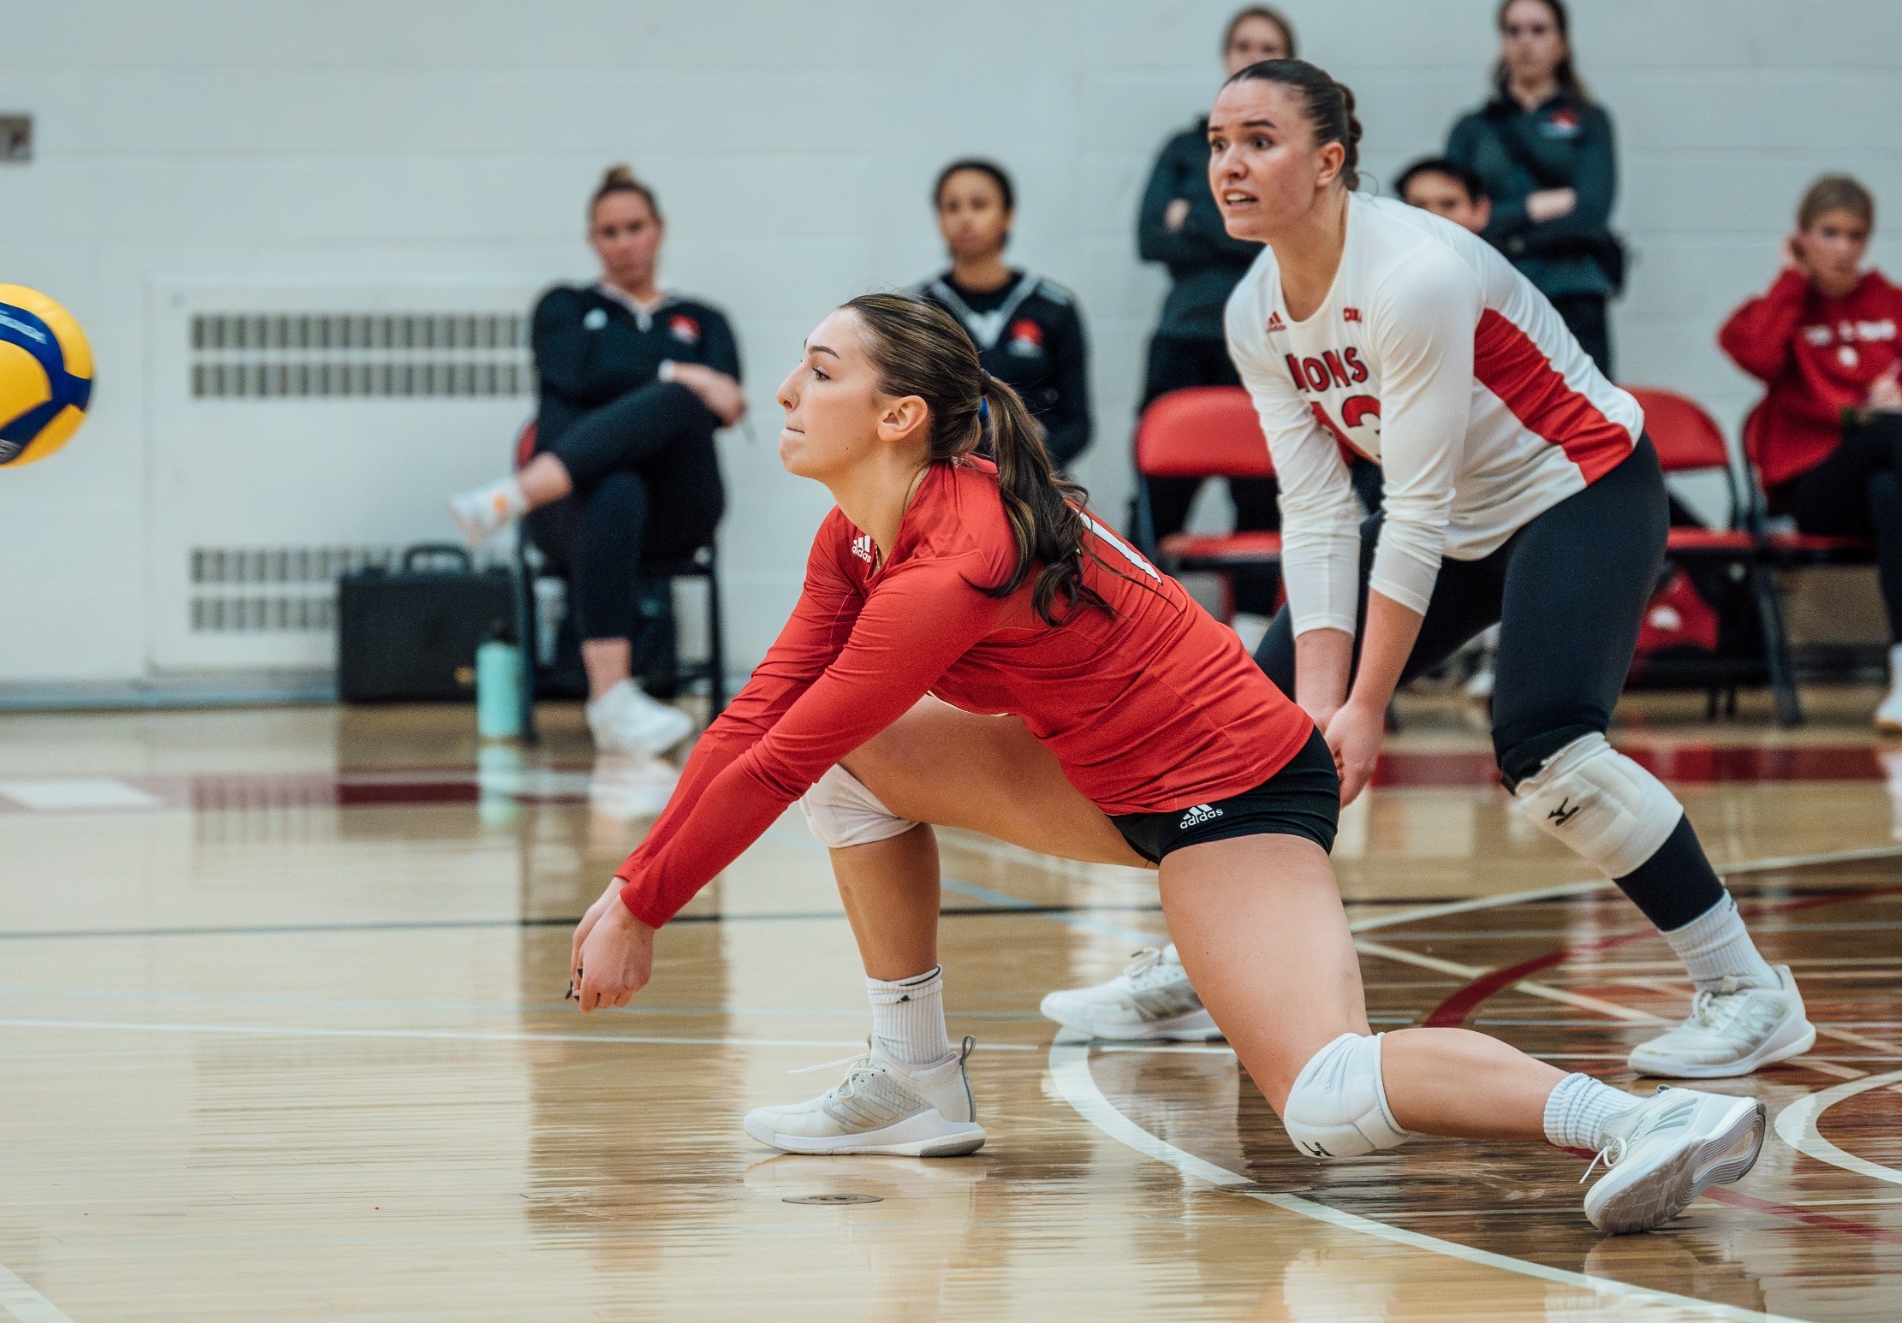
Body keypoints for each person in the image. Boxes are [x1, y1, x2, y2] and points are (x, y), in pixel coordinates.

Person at [565, 290, 1766, 1235]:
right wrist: (634, 887)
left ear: (898, 418)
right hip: (1104, 778)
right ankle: (914, 1080)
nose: (783, 387)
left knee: (1325, 1097)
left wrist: (645, 908)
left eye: (819, 372)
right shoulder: (861, 536)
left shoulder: (956, 559)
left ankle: (1639, 1119)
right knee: (850, 763)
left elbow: (779, 757)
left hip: (1235, 797)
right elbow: (755, 727)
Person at [1042, 59, 1815, 1088]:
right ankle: (1207, 968)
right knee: (1248, 724)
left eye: (1258, 141)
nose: (1227, 165)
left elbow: (1415, 511)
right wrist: (1313, 705)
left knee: (1547, 750)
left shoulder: (1414, 271)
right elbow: (1317, 510)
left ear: (1328, 161)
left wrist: (1363, 706)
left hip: (1576, 488)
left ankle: (1744, 991)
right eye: (1218, 142)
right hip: (1449, 520)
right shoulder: (1249, 312)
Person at [447, 167, 745, 757]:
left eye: (635, 227)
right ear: (592, 240)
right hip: (575, 516)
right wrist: (681, 369)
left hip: (678, 511)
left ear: (659, 231)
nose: (623, 242)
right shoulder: (562, 307)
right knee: (616, 485)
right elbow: (573, 371)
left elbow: (728, 404)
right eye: (608, 231)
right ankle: (612, 701)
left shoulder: (705, 319)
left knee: (676, 406)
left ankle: (513, 494)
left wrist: (665, 382)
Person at [1135, 6, 1297, 641]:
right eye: (1243, 44)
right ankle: (1144, 640)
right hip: (1183, 340)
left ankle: (1257, 639)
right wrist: (1243, 220)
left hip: (1266, 341)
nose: (1252, 54)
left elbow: (1290, 233)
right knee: (1158, 502)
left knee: (1262, 498)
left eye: (1269, 46)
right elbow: (1150, 237)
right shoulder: (1184, 147)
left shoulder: (1295, 152)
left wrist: (1195, 219)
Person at [1721, 175, 1902, 730]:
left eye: (1856, 235)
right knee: (1890, 436)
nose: (1843, 248)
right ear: (1801, 238)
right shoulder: (1782, 306)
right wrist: (1790, 281)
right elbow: (1756, 356)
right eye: (1828, 233)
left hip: (1885, 486)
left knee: (1891, 491)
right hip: (1816, 488)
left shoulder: (1892, 305)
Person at [1446, 0, 1621, 375]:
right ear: (1502, 41)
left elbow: (1591, 212)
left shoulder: (1590, 121)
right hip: (1492, 296)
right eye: (1514, 30)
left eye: (1539, 30)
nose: (1526, 41)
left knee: (1588, 420)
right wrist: (1533, 208)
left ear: (1562, 43)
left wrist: (1500, 221)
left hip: (1573, 293)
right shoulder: (1473, 128)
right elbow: (1451, 218)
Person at [916, 160, 1090, 471]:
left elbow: (1079, 424)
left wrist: (1026, 465)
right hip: (944, 479)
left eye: (979, 204)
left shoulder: (1053, 306)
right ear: (939, 219)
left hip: (1035, 479)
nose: (965, 218)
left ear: (1008, 216)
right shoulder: (916, 310)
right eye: (951, 207)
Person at [1395, 157, 1491, 235]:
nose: (1434, 215)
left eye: (1448, 204)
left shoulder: (1500, 258)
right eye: (1418, 206)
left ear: (1481, 210)